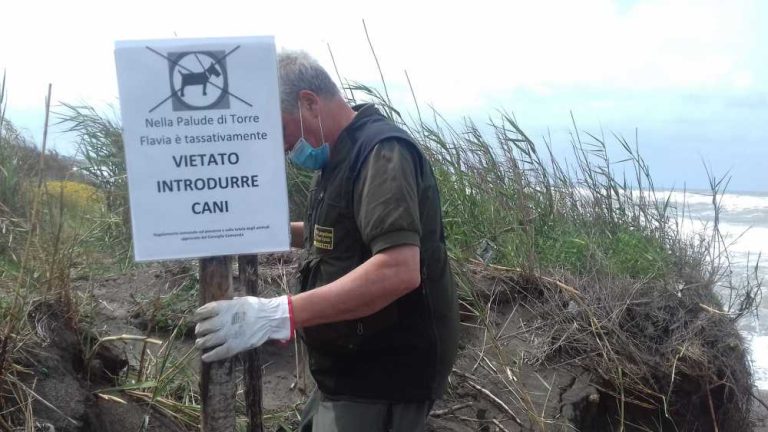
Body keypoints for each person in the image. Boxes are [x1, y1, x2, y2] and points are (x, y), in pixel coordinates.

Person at [192, 50, 459, 432]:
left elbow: (399, 270)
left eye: (282, 131)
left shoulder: (382, 154)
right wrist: (267, 232)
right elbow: (335, 235)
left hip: (384, 374)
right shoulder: (338, 156)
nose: (284, 148)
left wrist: (276, 315)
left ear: (309, 103)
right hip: (348, 366)